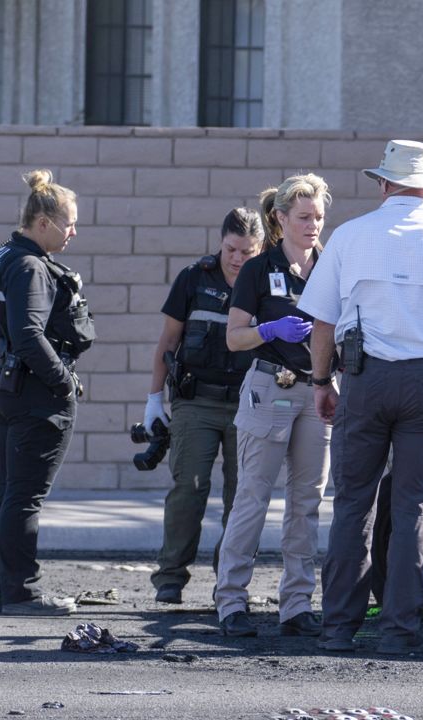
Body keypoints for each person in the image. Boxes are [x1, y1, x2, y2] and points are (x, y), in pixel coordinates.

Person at [300, 140, 423, 654]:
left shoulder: (349, 237)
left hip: (364, 380)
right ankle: (398, 630)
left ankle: (338, 629)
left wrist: (322, 382)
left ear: (384, 184)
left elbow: (321, 322)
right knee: (415, 509)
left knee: (352, 506)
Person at [213, 174, 333, 638]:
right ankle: (231, 601)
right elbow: (233, 336)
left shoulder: (329, 264)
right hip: (271, 387)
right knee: (253, 496)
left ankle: (297, 603)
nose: (313, 225)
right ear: (280, 218)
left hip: (316, 388)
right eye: (303, 217)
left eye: (319, 217)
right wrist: (269, 330)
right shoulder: (258, 269)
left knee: (306, 502)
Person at [0, 169, 95, 616]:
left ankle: (3, 592)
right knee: (23, 496)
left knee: (8, 490)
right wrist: (63, 382)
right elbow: (28, 334)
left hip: (4, 380)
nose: (74, 232)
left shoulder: (6, 254)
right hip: (31, 391)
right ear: (43, 221)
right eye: (69, 223)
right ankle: (22, 592)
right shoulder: (29, 264)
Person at [147, 208, 265, 604]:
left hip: (249, 404)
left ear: (261, 247)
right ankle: (170, 577)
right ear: (220, 241)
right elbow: (167, 343)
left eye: (247, 252)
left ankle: (228, 582)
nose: (237, 258)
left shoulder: (268, 282)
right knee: (188, 489)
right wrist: (153, 400)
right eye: (232, 249)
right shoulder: (194, 278)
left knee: (242, 496)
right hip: (195, 402)